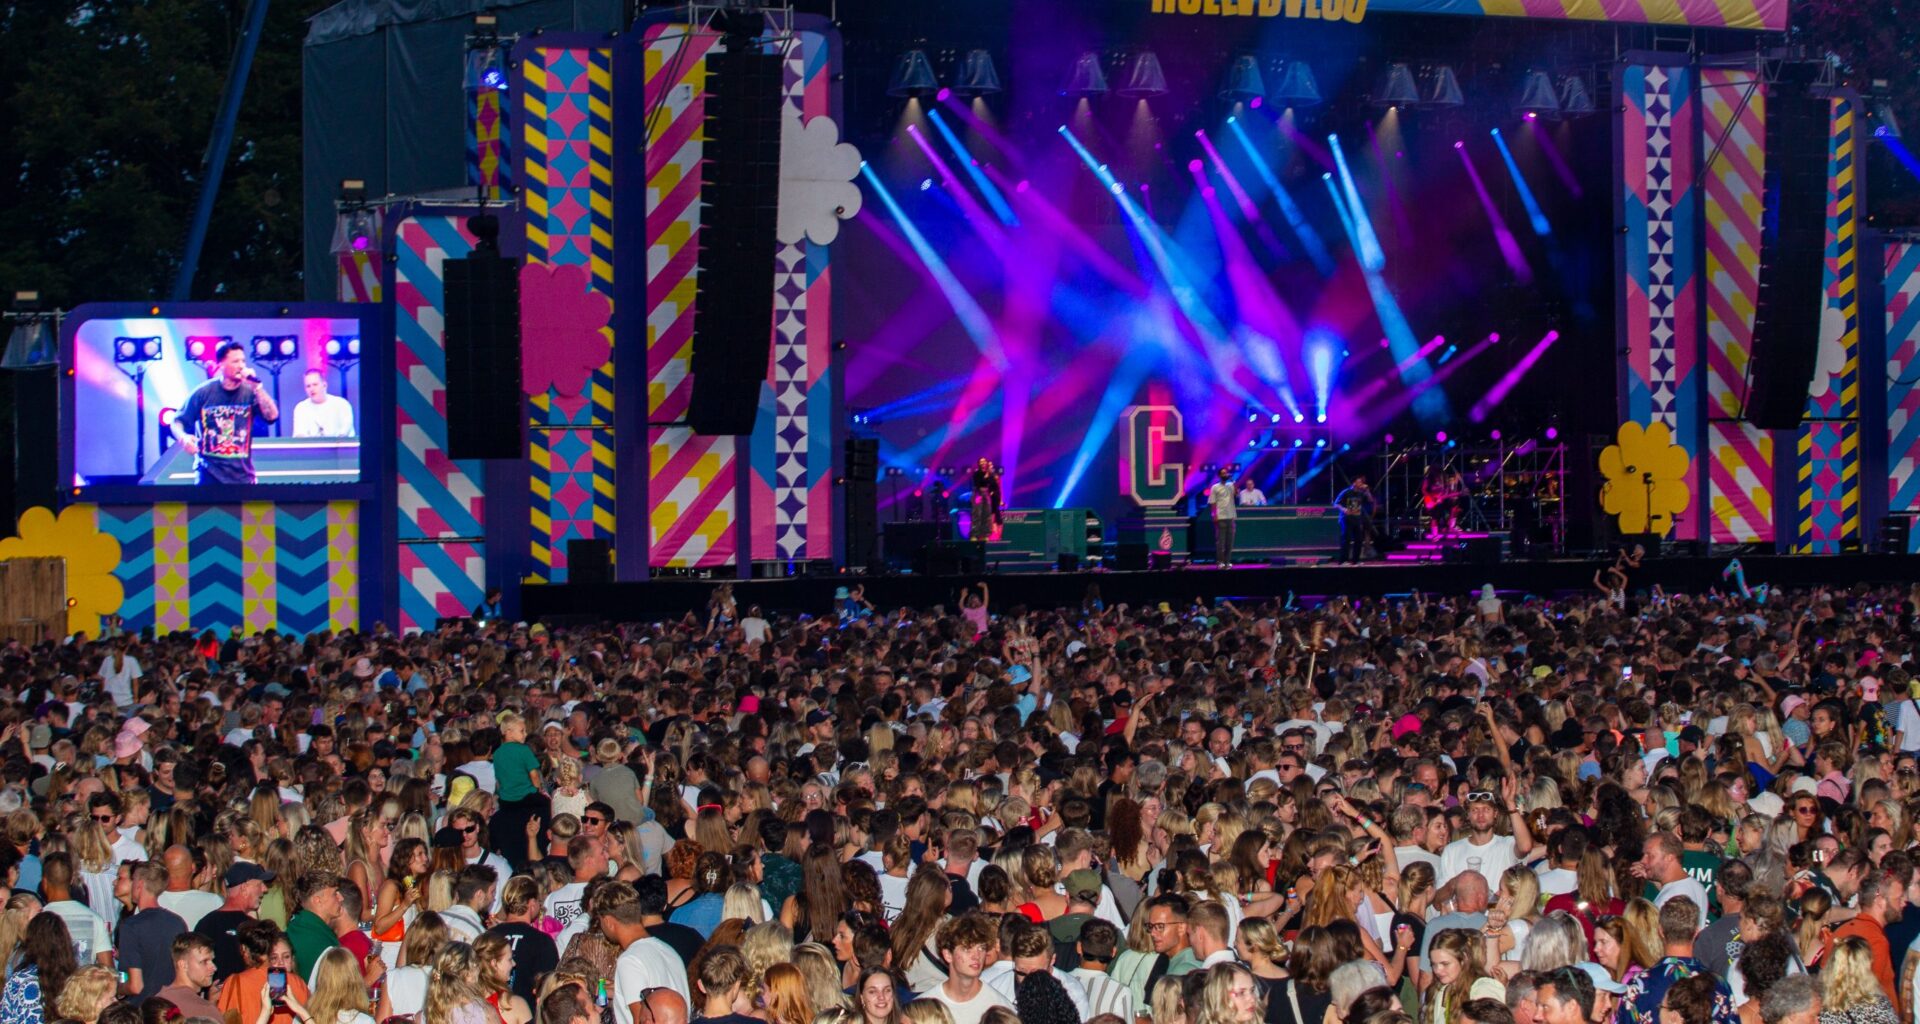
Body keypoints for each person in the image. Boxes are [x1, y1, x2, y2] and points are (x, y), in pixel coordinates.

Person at [171, 339, 280, 484]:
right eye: (235, 361)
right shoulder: (203, 393)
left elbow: (272, 417)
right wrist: (183, 437)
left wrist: (258, 388)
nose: (241, 366)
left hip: (243, 478)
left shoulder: (251, 392)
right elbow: (177, 421)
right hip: (208, 476)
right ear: (221, 365)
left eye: (243, 361)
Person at [917, 912, 1013, 1024]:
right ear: (948, 955)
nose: (976, 956)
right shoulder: (924, 1009)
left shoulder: (1000, 1006)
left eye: (981, 948)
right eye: (967, 949)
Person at [154, 933, 225, 1020]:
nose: (214, 968)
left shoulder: (157, 1002)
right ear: (183, 965)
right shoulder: (205, 1010)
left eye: (212, 960)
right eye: (204, 961)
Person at [291, 369, 355, 438]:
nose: (311, 389)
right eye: (308, 386)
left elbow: (345, 432)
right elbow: (299, 435)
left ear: (324, 385)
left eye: (315, 384)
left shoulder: (341, 404)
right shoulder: (301, 408)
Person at [1333, 476, 1375, 563]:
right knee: (1347, 539)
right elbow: (1336, 503)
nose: (1361, 484)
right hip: (1346, 519)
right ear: (1354, 483)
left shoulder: (1361, 493)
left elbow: (1370, 500)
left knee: (1359, 540)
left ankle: (1355, 560)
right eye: (1359, 482)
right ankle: (1343, 561)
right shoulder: (1346, 492)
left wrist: (1367, 490)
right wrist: (1344, 509)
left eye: (1361, 483)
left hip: (1357, 519)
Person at [1209, 466, 1238, 566]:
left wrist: (1233, 480)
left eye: (1226, 473)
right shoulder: (1215, 487)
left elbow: (1236, 493)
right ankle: (1220, 561)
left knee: (1229, 542)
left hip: (1231, 516)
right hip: (1221, 517)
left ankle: (1227, 561)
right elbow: (1212, 502)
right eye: (1223, 473)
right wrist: (1214, 515)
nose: (1225, 474)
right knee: (1220, 542)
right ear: (1219, 475)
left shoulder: (1231, 485)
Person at [970, 459, 1003, 542]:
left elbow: (994, 485)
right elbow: (978, 483)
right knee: (977, 514)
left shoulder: (990, 474)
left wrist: (992, 491)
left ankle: (985, 534)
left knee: (987, 515)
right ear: (979, 464)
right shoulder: (977, 473)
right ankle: (974, 534)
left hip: (987, 494)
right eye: (981, 462)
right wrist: (986, 476)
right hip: (978, 493)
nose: (983, 463)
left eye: (984, 461)